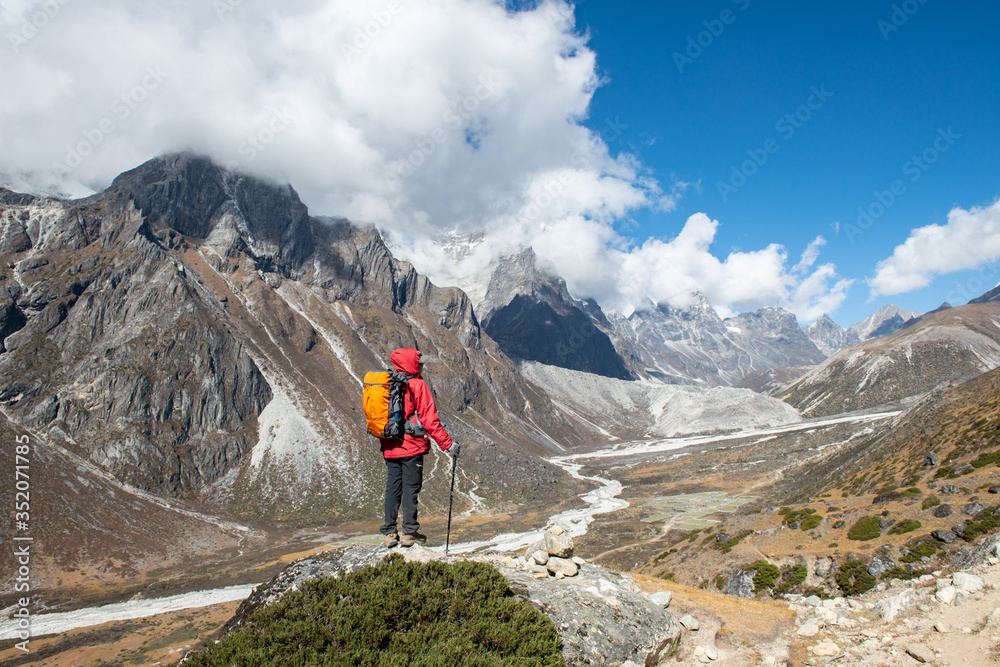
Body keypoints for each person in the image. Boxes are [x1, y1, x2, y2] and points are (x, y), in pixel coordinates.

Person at [379, 348, 459, 548]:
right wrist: (448, 444)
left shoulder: (387, 383)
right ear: (412, 363)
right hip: (411, 447)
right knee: (411, 488)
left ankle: (389, 533)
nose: (422, 365)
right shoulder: (417, 385)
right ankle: (409, 532)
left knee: (392, 488)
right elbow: (430, 420)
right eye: (419, 362)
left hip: (390, 444)